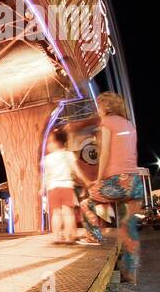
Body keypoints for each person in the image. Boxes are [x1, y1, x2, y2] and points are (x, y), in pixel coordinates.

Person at [77, 91, 144, 282]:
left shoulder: (107, 122)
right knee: (129, 228)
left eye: (99, 106)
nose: (98, 110)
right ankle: (130, 274)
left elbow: (104, 151)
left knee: (87, 201)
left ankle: (94, 236)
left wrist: (98, 179)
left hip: (118, 182)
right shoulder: (129, 124)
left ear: (105, 106)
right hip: (135, 183)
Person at [42, 127, 78, 244]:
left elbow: (45, 175)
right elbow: (75, 171)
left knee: (56, 213)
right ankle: (68, 237)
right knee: (68, 213)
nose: (48, 145)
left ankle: (56, 237)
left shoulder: (47, 158)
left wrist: (42, 187)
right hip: (67, 185)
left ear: (56, 142)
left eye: (50, 142)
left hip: (53, 187)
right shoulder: (69, 155)